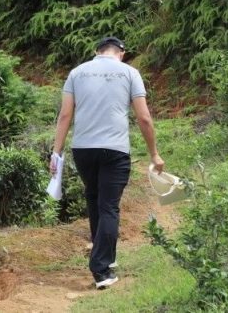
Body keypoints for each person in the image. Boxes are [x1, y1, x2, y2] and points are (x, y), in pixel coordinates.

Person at [51, 36, 165, 290]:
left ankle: (105, 259)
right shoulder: (129, 73)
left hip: (83, 150)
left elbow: (65, 115)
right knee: (109, 207)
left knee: (94, 200)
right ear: (121, 53)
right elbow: (144, 118)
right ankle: (101, 270)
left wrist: (56, 153)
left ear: (97, 52)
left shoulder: (77, 73)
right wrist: (154, 153)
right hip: (114, 150)